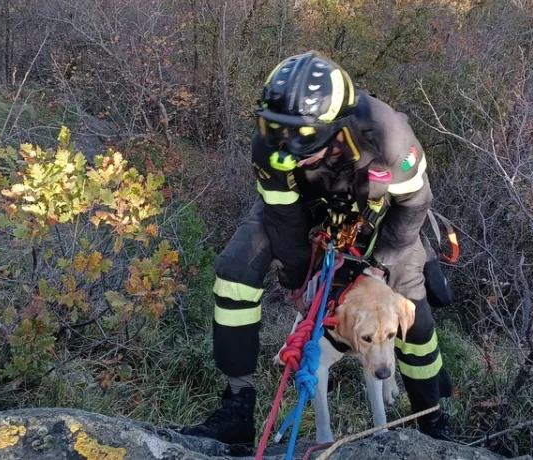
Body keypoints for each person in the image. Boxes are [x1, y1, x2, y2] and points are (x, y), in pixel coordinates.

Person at [181, 51, 455, 445]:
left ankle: (431, 419)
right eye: (277, 133)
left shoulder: (388, 136)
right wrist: (298, 285)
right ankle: (237, 406)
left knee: (413, 306)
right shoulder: (271, 146)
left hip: (380, 219)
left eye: (303, 139)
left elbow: (414, 206)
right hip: (303, 211)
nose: (287, 150)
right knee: (236, 273)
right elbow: (283, 219)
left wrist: (379, 268)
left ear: (337, 127)